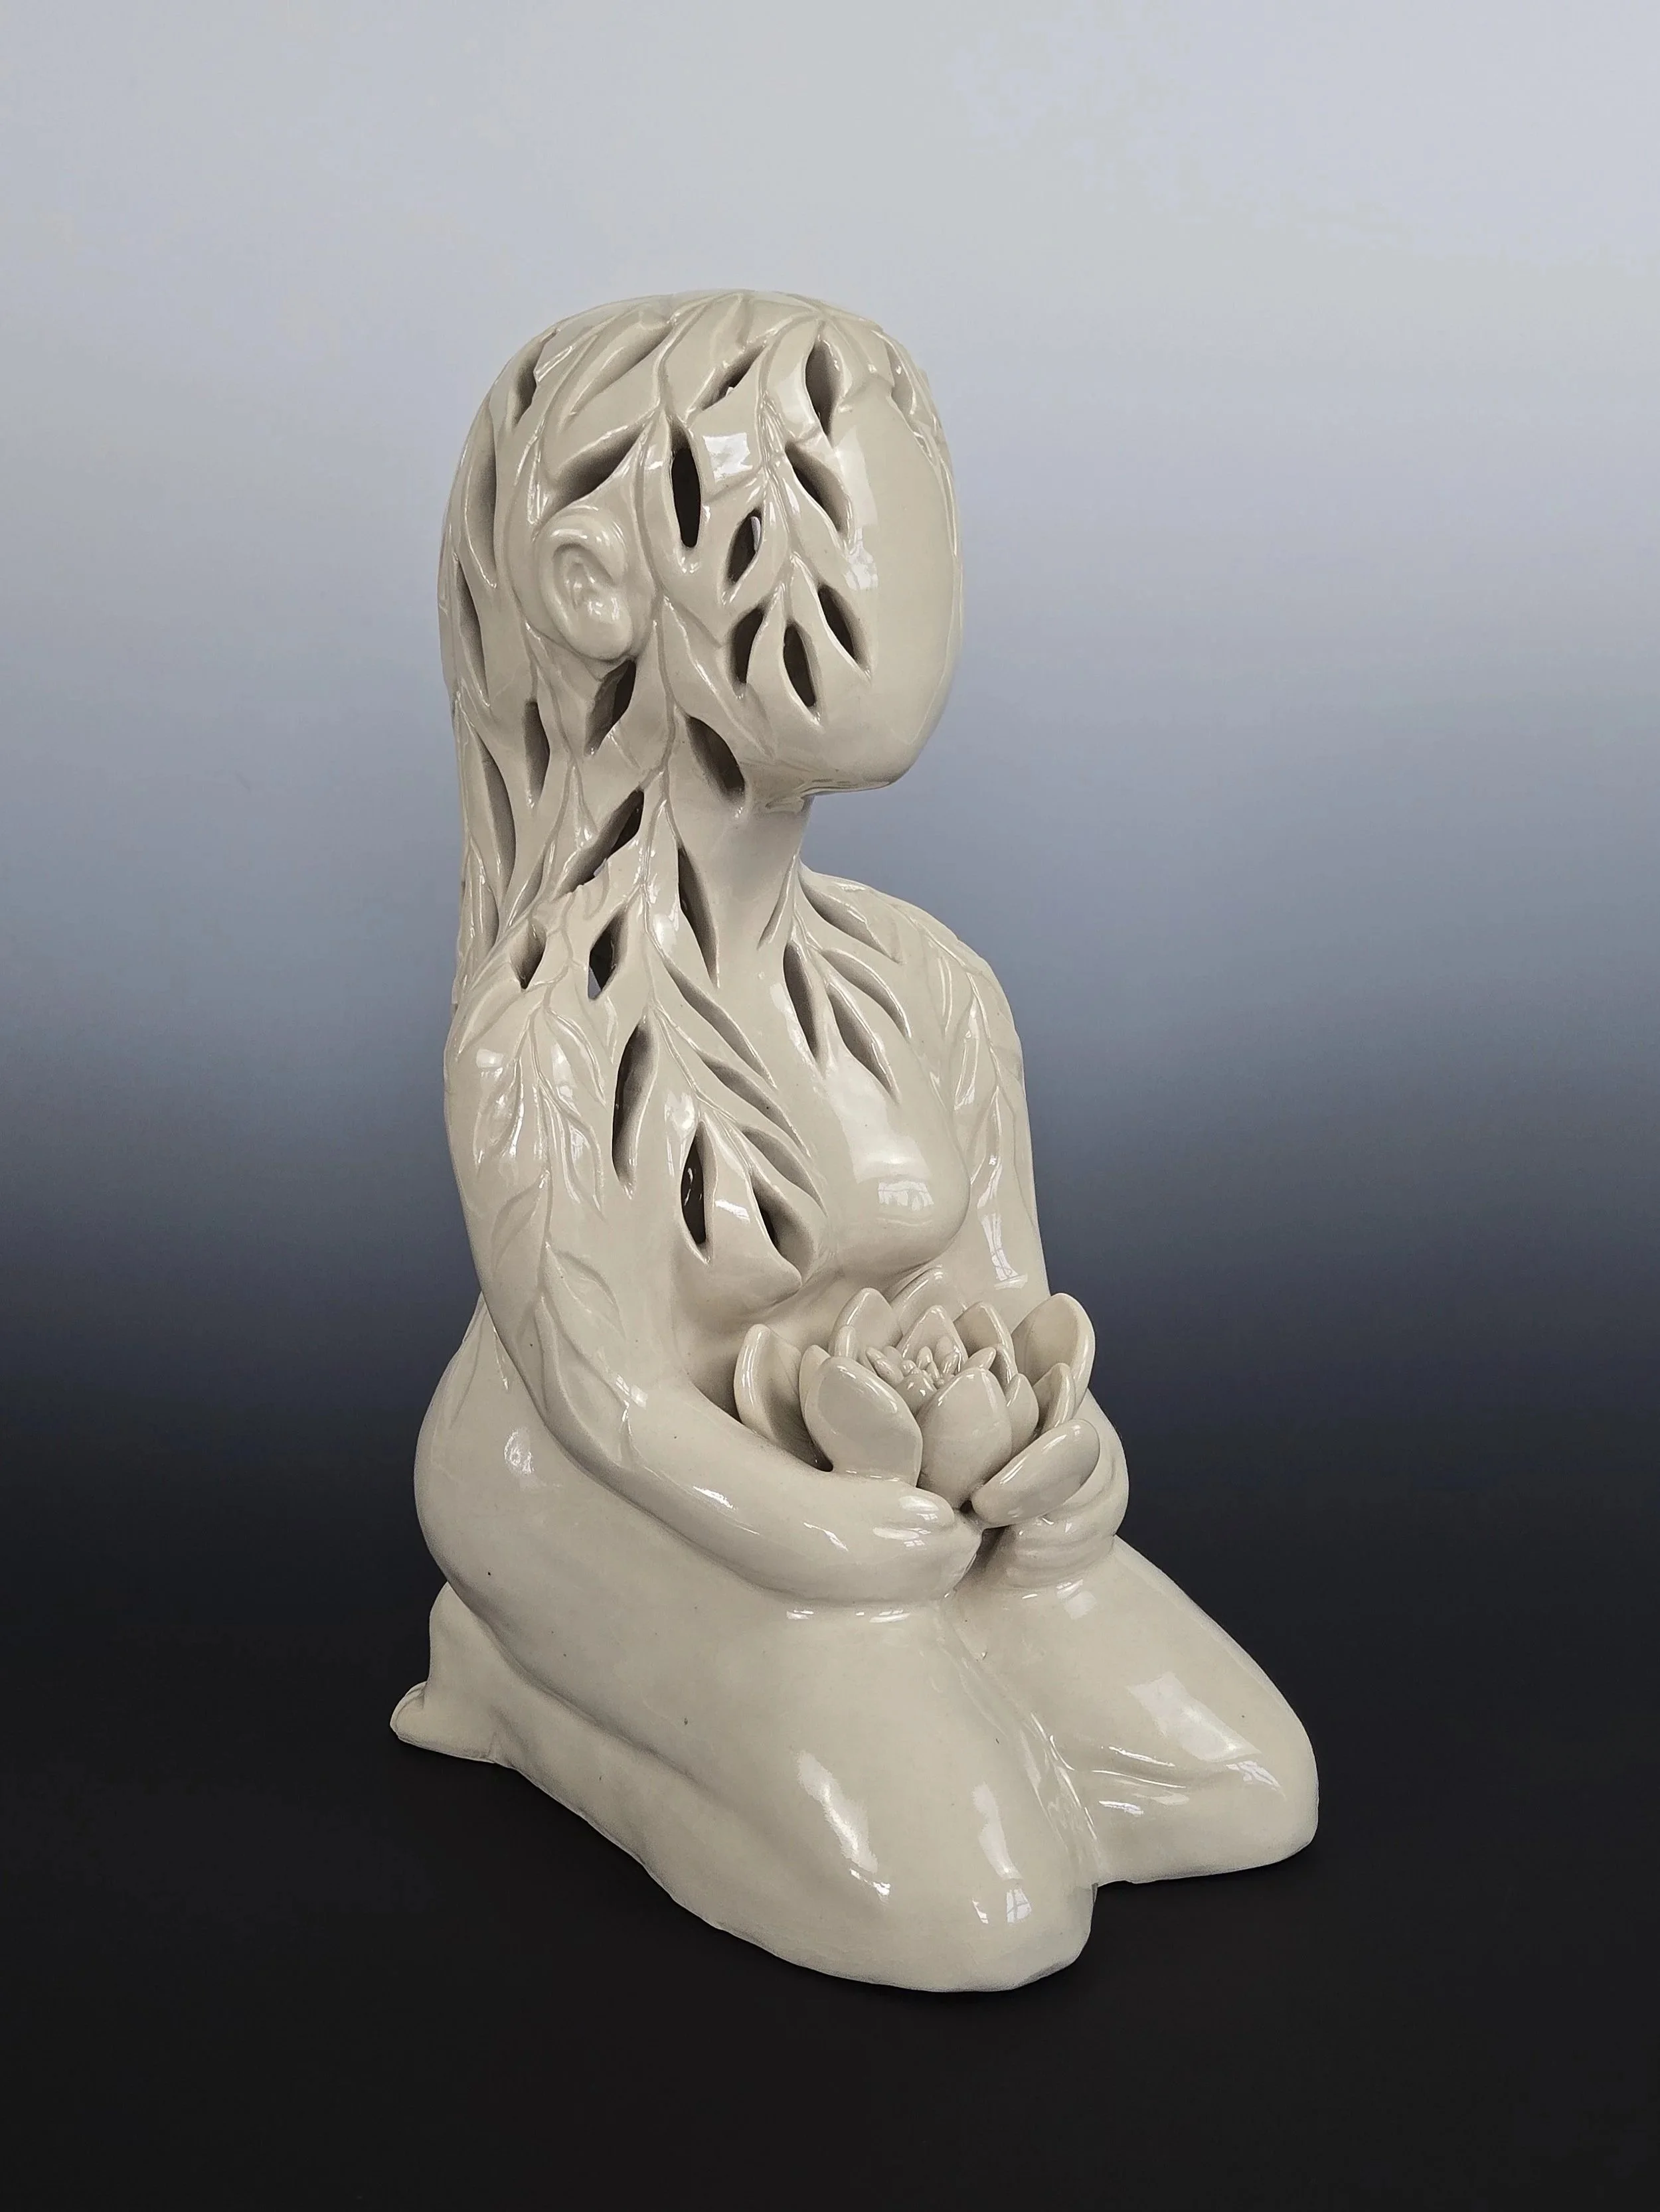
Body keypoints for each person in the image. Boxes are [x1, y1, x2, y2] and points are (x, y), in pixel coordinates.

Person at [394, 293, 1317, 1990]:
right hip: (612, 1492)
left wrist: (1060, 1474)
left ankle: (889, 1690)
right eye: (803, 505)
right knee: (984, 1915)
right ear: (593, 584)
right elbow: (606, 1398)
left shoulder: (930, 981)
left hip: (891, 1516)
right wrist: (819, 1544)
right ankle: (526, 1677)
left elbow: (1014, 1314)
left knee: (1248, 1788)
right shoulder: (542, 1035)